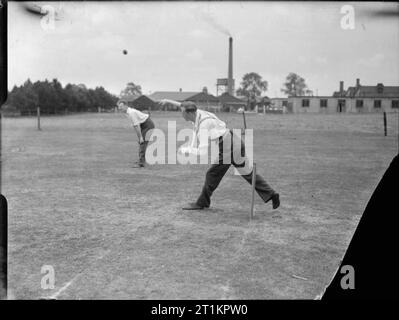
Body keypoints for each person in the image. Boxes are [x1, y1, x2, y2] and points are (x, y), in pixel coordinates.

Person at [159, 99, 280, 210]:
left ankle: (202, 203)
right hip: (234, 141)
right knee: (247, 173)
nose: (181, 114)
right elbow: (182, 104)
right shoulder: (197, 112)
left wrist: (186, 150)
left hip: (229, 146)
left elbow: (202, 152)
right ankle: (272, 194)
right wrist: (167, 101)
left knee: (212, 174)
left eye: (182, 112)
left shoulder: (203, 125)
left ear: (189, 113)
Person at [117, 101, 155, 168]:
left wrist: (140, 137)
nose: (119, 108)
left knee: (142, 142)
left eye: (121, 106)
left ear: (126, 106)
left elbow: (137, 126)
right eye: (119, 106)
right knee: (141, 143)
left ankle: (141, 163)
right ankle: (141, 160)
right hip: (144, 125)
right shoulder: (127, 113)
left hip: (148, 125)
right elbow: (136, 125)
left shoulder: (131, 113)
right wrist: (140, 137)